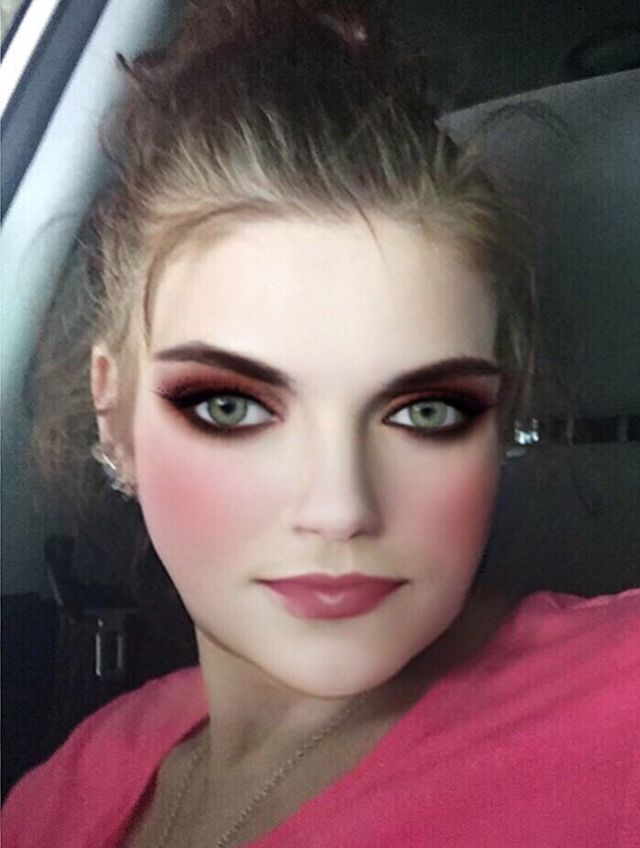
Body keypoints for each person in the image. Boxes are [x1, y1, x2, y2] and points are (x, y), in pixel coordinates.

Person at [3, 1, 638, 846]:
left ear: (498, 422)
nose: (341, 509)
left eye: (424, 412)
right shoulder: (69, 782)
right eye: (231, 407)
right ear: (114, 418)